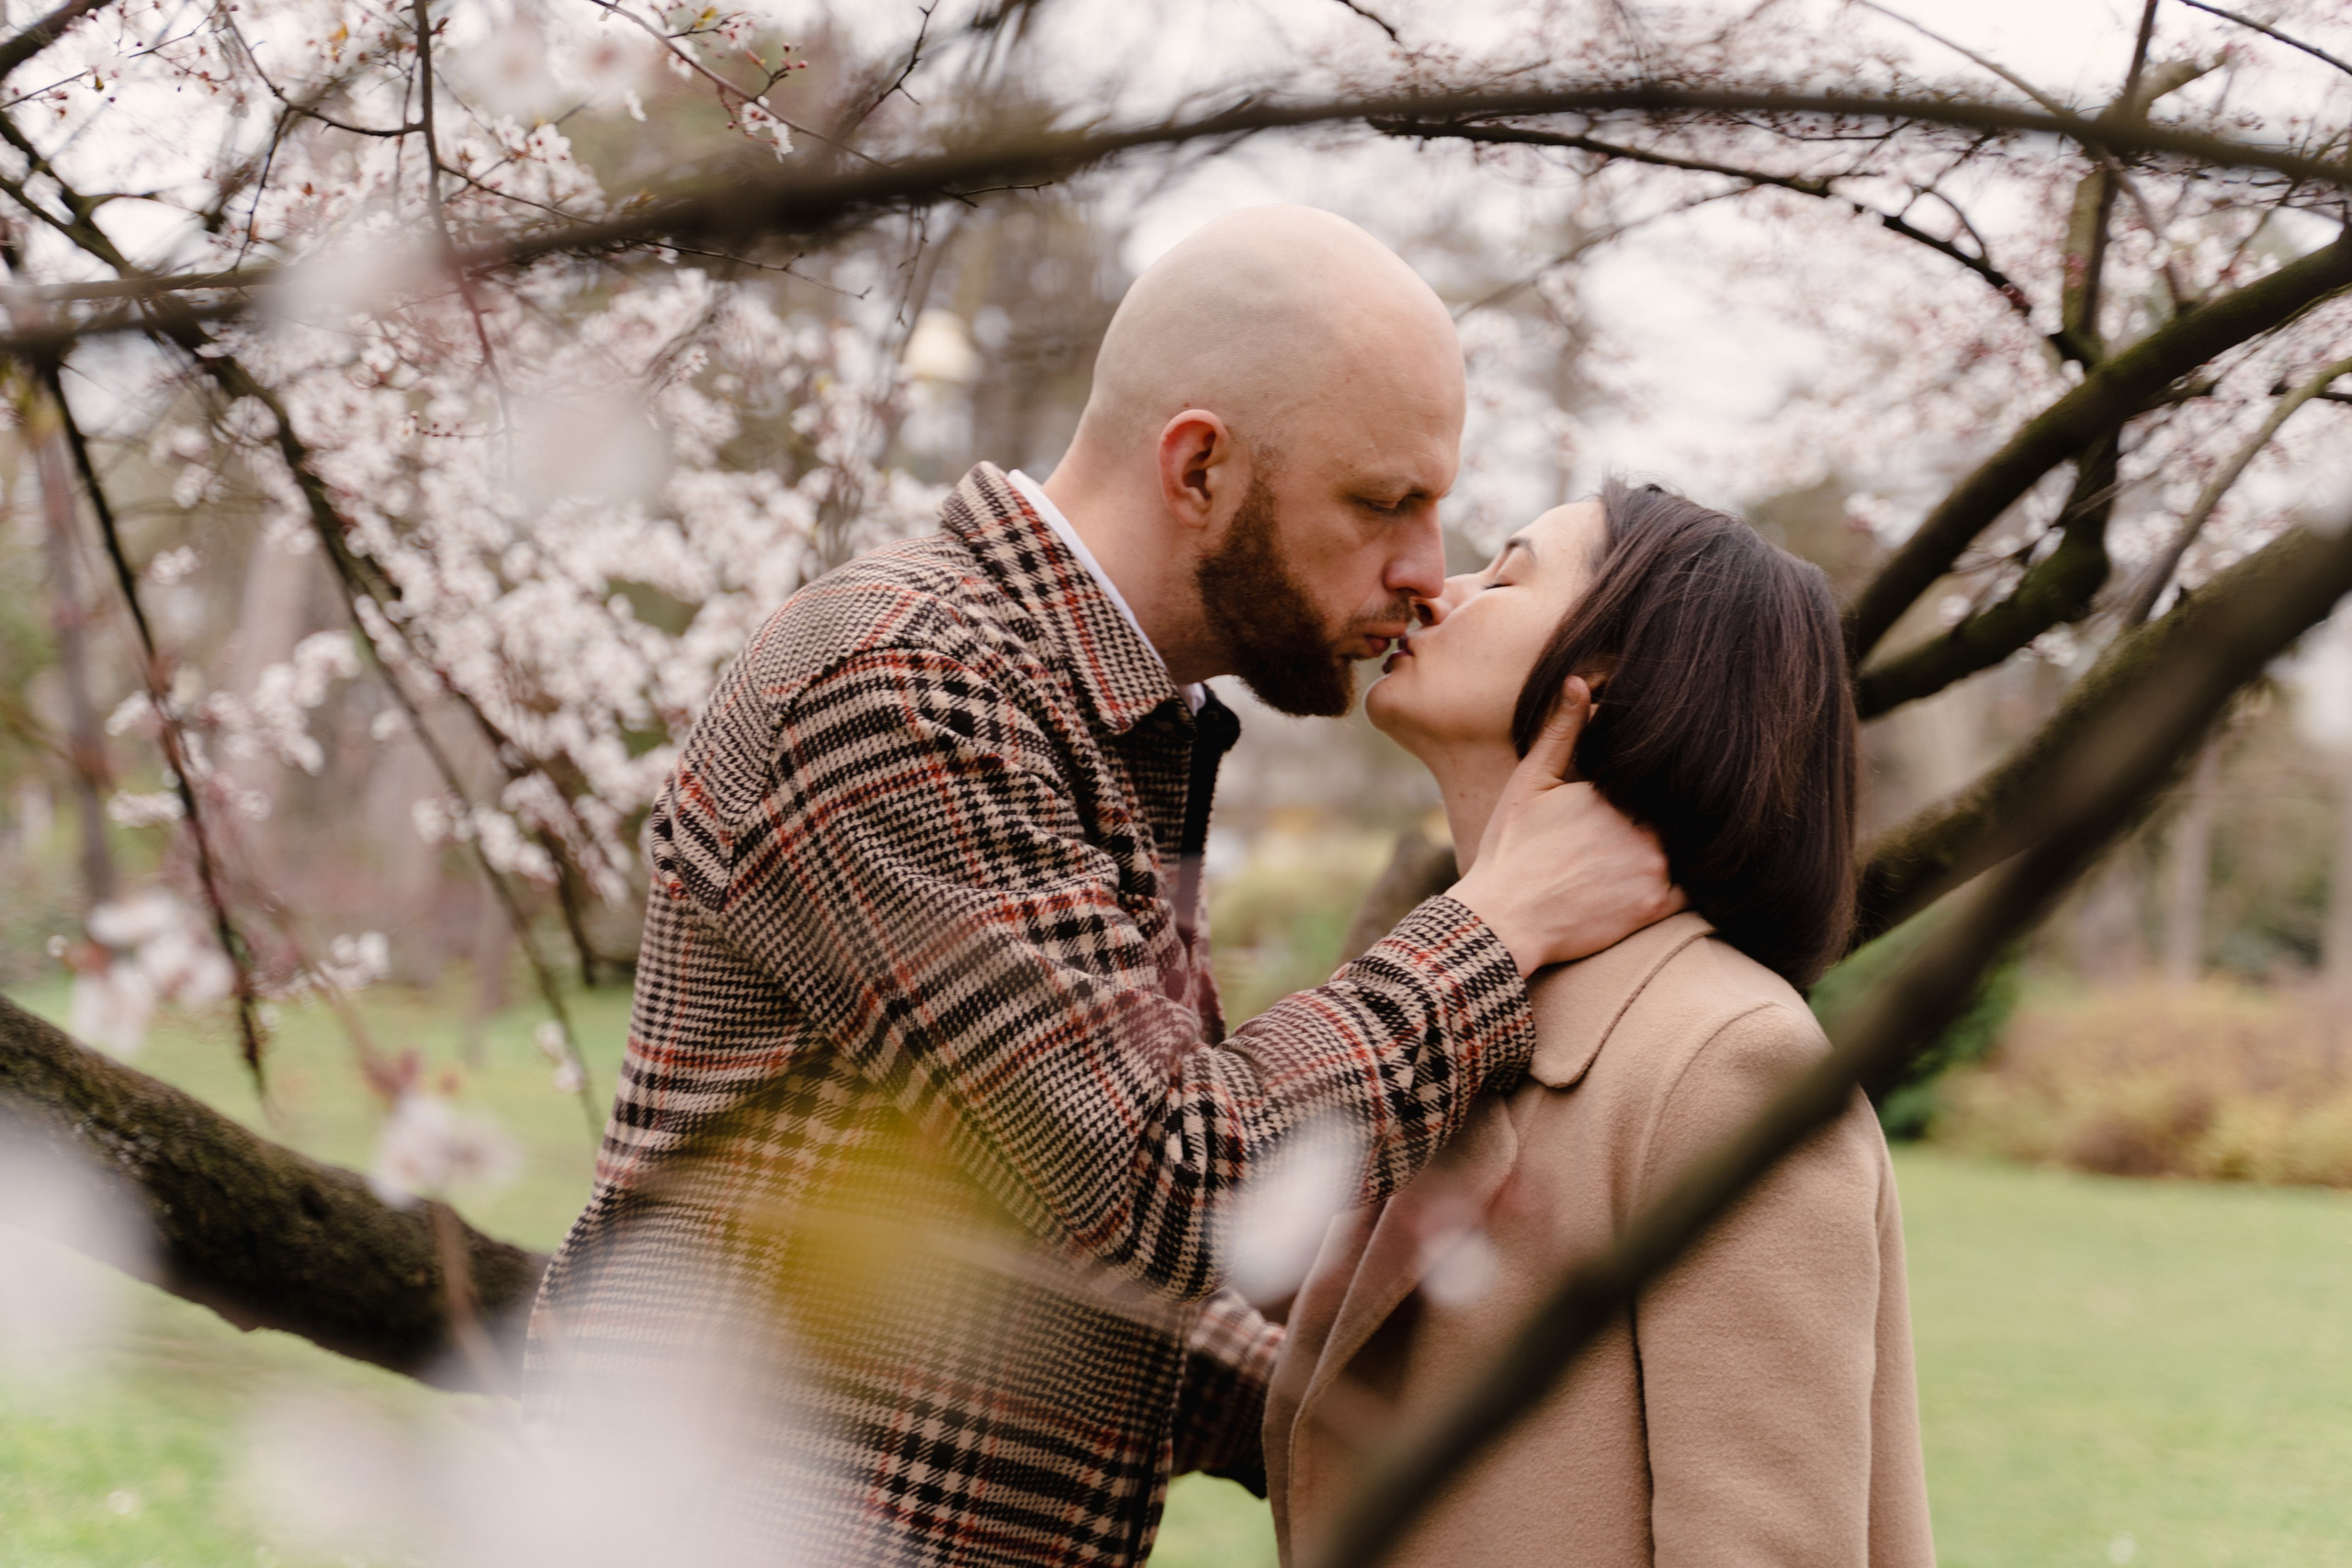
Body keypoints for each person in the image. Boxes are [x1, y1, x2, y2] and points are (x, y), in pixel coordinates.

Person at [523, 207, 1680, 1566]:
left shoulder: (1105, 723)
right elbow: (1168, 1185)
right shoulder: (902, 677)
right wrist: (1498, 927)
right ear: (1199, 466)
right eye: (1383, 503)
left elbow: (1088, 1280)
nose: (1427, 572)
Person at [1265, 481, 1937, 1567]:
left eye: (1507, 571)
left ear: (1608, 677)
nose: (1439, 589)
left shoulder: (1724, 1064)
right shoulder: (1474, 1018)